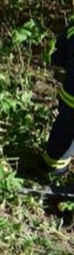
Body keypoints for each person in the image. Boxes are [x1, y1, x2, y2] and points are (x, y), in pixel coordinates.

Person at [41, 25, 74, 176]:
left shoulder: (71, 31)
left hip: (70, 100)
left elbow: (58, 58)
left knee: (64, 130)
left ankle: (53, 168)